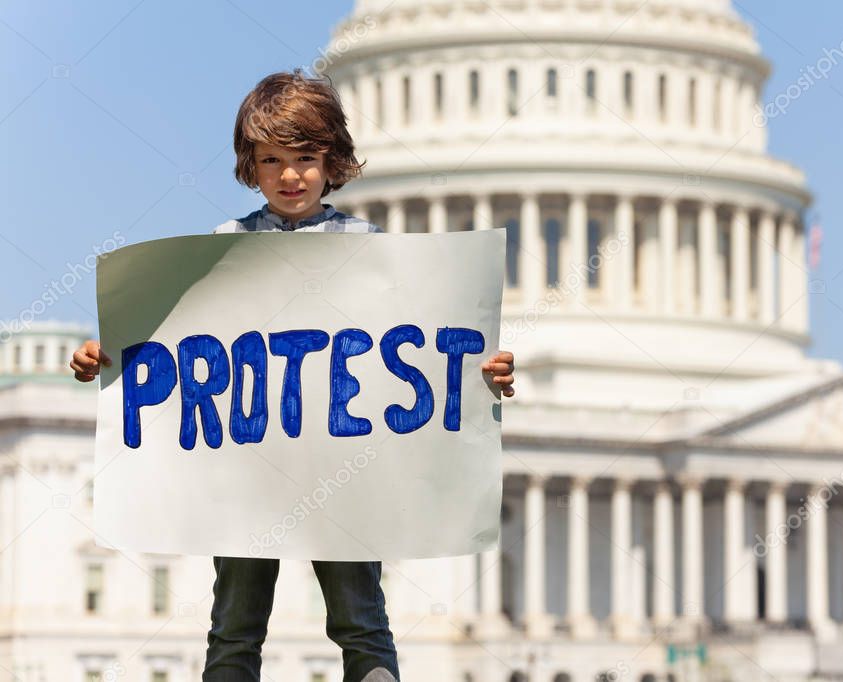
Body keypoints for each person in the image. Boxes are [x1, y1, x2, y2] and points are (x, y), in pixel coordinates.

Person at [69, 69, 516, 682]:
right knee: (234, 626)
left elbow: (422, 347)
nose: (289, 175)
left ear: (334, 161)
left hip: (342, 469)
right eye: (271, 160)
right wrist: (109, 352)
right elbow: (170, 339)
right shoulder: (220, 250)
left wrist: (479, 370)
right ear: (250, 167)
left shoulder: (373, 249)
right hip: (247, 472)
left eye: (305, 158)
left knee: (362, 622)